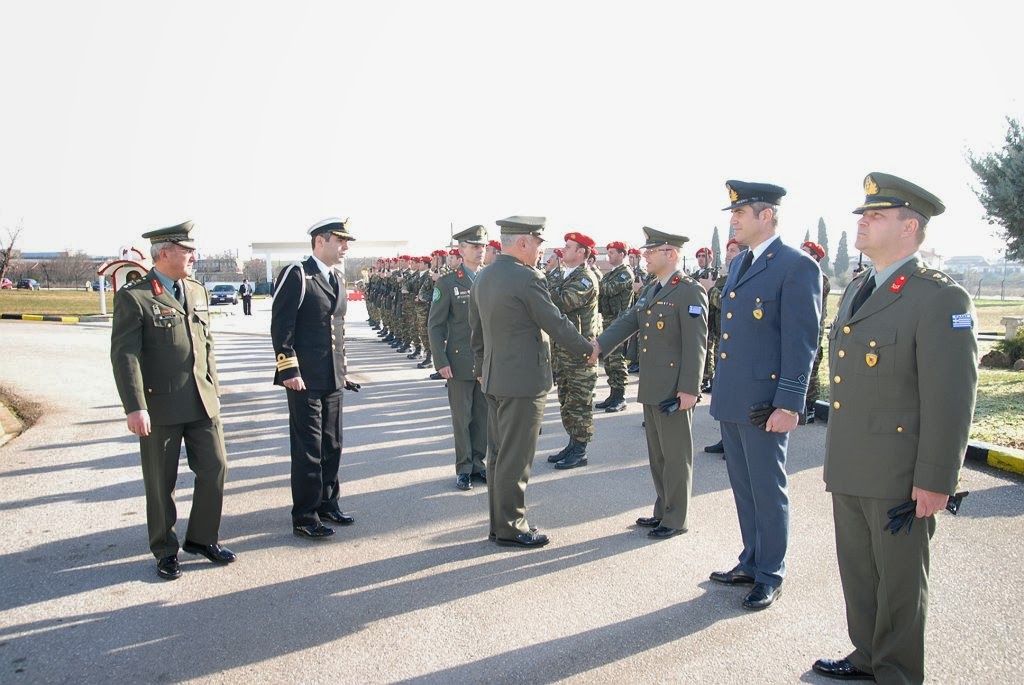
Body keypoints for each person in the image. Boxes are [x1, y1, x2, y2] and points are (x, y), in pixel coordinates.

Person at [812, 173, 978, 683]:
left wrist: (935, 480)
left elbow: (952, 398)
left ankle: (897, 673)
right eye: (864, 214)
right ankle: (867, 657)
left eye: (876, 215)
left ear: (910, 227)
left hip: (900, 472)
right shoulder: (862, 286)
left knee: (901, 584)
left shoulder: (937, 298)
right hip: (850, 462)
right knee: (860, 575)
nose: (863, 222)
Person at [709, 180, 822, 611]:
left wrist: (790, 401)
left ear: (767, 216)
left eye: (740, 213)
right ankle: (751, 560)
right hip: (736, 397)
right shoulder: (741, 264)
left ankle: (771, 573)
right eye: (732, 214)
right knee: (744, 486)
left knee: (768, 488)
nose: (733, 220)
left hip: (766, 403)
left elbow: (801, 342)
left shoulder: (796, 266)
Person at [110, 220, 235, 580]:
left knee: (215, 467)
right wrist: (135, 406)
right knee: (160, 481)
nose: (193, 256)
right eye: (186, 250)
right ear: (164, 253)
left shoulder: (196, 291)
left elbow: (206, 344)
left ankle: (202, 538)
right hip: (160, 406)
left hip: (201, 401)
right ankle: (165, 549)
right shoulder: (135, 297)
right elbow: (125, 356)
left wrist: (213, 386)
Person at [469, 215, 595, 549]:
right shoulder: (528, 278)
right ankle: (512, 526)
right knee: (516, 458)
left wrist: (482, 367)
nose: (541, 250)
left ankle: (499, 524)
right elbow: (555, 322)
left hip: (495, 379)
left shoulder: (484, 276)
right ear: (523, 241)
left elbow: (476, 330)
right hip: (524, 382)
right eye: (538, 243)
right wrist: (588, 349)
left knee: (497, 455)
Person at [593, 227, 707, 539]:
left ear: (671, 254)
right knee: (658, 455)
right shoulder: (650, 289)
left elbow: (696, 344)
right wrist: (599, 345)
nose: (645, 255)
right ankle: (663, 510)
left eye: (652, 251)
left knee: (675, 455)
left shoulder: (689, 291)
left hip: (675, 388)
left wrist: (690, 390)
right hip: (653, 384)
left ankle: (676, 518)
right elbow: (628, 321)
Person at [271, 217, 358, 540]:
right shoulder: (298, 274)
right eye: (341, 240)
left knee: (332, 444)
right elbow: (282, 325)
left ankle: (327, 502)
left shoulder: (336, 277)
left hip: (332, 377)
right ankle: (305, 515)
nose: (346, 247)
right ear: (321, 241)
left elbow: (338, 330)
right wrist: (288, 370)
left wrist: (343, 370)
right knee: (309, 448)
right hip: (304, 379)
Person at [428, 225, 490, 490]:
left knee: (483, 417)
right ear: (461, 250)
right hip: (459, 361)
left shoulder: (490, 279)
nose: (480, 251)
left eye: (483, 247)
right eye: (474, 247)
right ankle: (463, 467)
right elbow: (435, 325)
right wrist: (440, 361)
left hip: (487, 361)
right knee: (462, 417)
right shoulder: (448, 282)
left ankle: (478, 463)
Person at [546, 231, 600, 470]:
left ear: (581, 252)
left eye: (569, 247)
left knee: (580, 402)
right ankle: (572, 443)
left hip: (580, 353)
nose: (564, 250)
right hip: (562, 351)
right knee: (566, 401)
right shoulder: (562, 274)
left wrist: (541, 289)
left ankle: (580, 450)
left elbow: (564, 301)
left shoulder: (586, 278)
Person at [703, 237, 744, 456]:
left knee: (736, 394)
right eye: (728, 251)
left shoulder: (744, 277)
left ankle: (735, 445)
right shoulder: (728, 277)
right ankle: (726, 438)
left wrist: (711, 290)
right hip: (722, 337)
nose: (728, 255)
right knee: (725, 393)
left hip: (738, 343)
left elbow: (732, 304)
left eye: (733, 250)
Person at [594, 241, 634, 413]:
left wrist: (595, 282)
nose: (608, 256)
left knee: (617, 361)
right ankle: (613, 394)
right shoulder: (611, 273)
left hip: (619, 321)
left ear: (622, 255)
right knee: (609, 361)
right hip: (608, 320)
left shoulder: (625, 274)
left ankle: (620, 396)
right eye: (608, 252)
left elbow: (608, 289)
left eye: (611, 253)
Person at [800, 241, 831, 422]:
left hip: (814, 330)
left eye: (805, 252)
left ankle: (811, 405)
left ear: (815, 257)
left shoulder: (821, 278)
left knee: (812, 369)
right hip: (802, 328)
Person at [692, 247, 720, 392]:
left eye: (704, 256)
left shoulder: (714, 275)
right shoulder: (695, 275)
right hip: (696, 314)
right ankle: (700, 377)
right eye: (699, 256)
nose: (702, 259)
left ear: (711, 258)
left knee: (709, 348)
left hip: (710, 315)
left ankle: (708, 378)